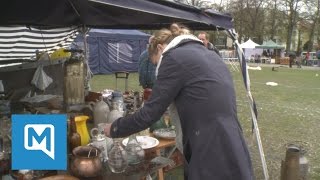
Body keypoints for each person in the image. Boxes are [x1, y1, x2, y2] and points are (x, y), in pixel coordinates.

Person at [104, 23, 253, 180]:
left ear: (161, 48)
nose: (157, 70)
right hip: (233, 139)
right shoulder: (210, 54)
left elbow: (149, 115)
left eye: (156, 64)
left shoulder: (173, 58)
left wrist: (115, 128)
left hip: (209, 148)